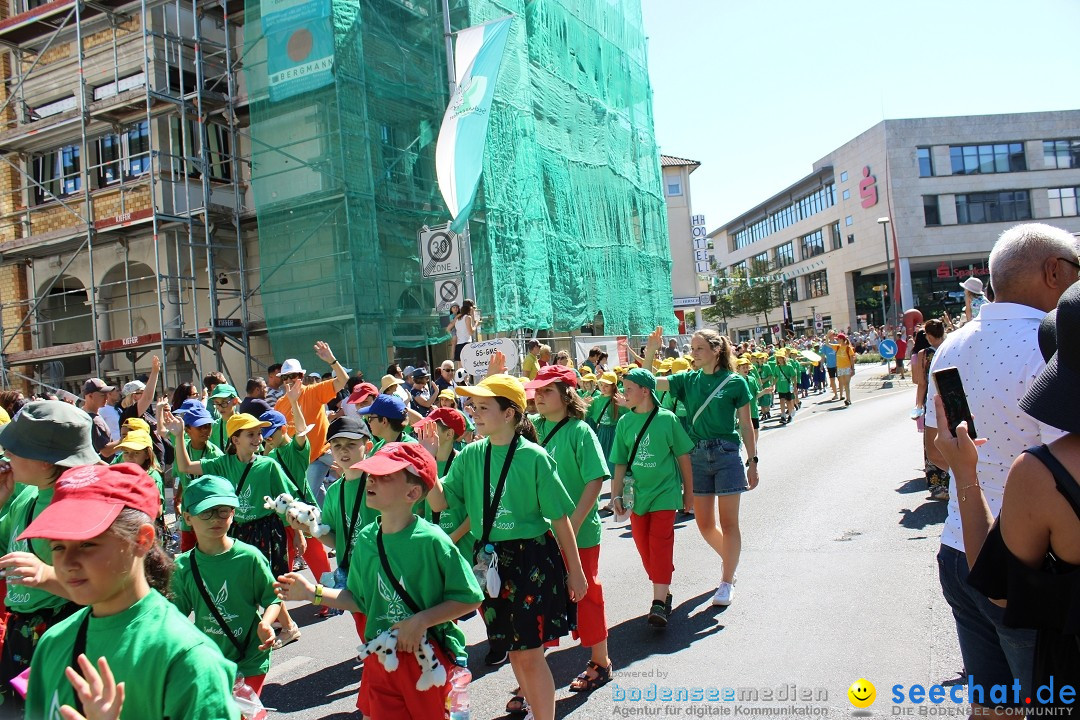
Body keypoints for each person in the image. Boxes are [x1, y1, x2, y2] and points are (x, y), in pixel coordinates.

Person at [924, 222, 1079, 713]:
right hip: (1033, 569)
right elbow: (1065, 473)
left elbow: (934, 448)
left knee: (992, 707)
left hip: (958, 548)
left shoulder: (951, 344)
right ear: (1054, 271)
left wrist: (976, 466)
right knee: (1047, 702)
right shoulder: (1052, 344)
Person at [276, 443, 484, 717]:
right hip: (381, 655)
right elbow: (359, 599)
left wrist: (420, 621)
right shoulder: (366, 539)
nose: (371, 479)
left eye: (385, 476)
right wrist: (312, 592)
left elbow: (469, 598)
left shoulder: (433, 541)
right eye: (371, 473)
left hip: (427, 659)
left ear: (412, 492)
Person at [21, 464, 240, 719]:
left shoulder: (188, 659)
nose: (68, 563)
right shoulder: (53, 642)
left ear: (142, 540)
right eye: (57, 547)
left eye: (88, 544)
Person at [426, 374, 587, 720]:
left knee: (529, 653)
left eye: (484, 407)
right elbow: (439, 503)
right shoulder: (470, 454)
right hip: (490, 561)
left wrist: (576, 572)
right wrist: (428, 462)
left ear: (510, 413)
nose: (475, 413)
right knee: (515, 650)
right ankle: (536, 707)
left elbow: (559, 520)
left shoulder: (534, 457)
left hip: (531, 560)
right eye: (473, 406)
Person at [167, 411, 303, 650]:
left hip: (267, 530)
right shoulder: (222, 464)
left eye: (259, 434)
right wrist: (178, 436)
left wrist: (298, 533)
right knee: (249, 581)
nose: (257, 438)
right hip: (238, 529)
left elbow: (286, 503)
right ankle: (282, 625)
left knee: (271, 580)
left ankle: (287, 626)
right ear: (234, 439)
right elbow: (185, 465)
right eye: (250, 434)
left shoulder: (268, 465)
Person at [645, 327, 758, 608]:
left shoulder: (735, 382)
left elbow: (746, 425)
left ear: (715, 351)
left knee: (729, 523)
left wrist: (753, 461)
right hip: (696, 455)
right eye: (691, 349)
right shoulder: (687, 380)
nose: (692, 354)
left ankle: (727, 579)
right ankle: (731, 559)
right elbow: (647, 383)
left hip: (727, 454)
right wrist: (649, 353)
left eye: (698, 349)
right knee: (705, 524)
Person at [0, 402, 100, 704]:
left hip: (58, 637)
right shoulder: (28, 495)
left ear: (44, 461)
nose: (6, 455)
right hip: (21, 634)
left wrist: (47, 575)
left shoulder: (77, 507)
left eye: (14, 448)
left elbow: (100, 590)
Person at [526, 366, 612, 693]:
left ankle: (600, 662)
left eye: (547, 391)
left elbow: (595, 479)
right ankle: (534, 672)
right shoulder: (531, 427)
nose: (539, 396)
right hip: (539, 535)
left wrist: (573, 524)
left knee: (586, 594)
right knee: (539, 601)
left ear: (566, 394)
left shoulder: (580, 431)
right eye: (537, 391)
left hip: (580, 532)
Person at [172, 474, 280, 696]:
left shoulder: (249, 557)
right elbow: (176, 616)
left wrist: (267, 624)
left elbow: (273, 598)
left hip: (251, 656)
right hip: (210, 659)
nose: (215, 519)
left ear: (233, 513)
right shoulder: (183, 566)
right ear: (187, 517)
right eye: (205, 511)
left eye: (223, 510)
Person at [611, 367, 693, 627]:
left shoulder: (667, 419)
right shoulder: (624, 423)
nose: (624, 394)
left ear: (645, 391)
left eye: (629, 389)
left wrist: (688, 493)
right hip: (637, 495)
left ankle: (658, 603)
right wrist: (615, 496)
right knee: (643, 545)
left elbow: (683, 457)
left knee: (659, 542)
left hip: (665, 493)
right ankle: (663, 584)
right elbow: (620, 464)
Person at [261, 387, 332, 593]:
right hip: (280, 518)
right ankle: (280, 602)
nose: (267, 438)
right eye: (263, 435)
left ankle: (330, 597)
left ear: (283, 429)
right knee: (284, 561)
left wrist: (293, 403)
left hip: (304, 512)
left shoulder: (295, 451)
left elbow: (301, 432)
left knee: (316, 557)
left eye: (270, 433)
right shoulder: (268, 457)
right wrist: (267, 446)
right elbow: (262, 463)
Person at [273, 342, 349, 506]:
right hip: (306, 461)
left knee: (356, 472)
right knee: (311, 497)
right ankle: (328, 524)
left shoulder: (313, 391)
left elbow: (343, 380)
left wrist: (331, 360)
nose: (289, 381)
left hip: (326, 450)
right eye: (285, 377)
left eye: (293, 376)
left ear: (301, 376)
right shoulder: (280, 403)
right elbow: (280, 434)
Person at [162, 398, 223, 553]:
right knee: (188, 555)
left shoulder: (215, 454)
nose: (205, 430)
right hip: (188, 516)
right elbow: (184, 476)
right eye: (200, 427)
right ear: (187, 430)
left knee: (210, 556)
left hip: (209, 517)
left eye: (208, 426)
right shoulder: (181, 447)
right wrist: (178, 497)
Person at [911, 319, 949, 501]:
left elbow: (921, 383)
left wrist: (918, 405)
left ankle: (938, 486)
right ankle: (957, 479)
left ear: (929, 335)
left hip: (932, 401)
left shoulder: (923, 354)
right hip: (952, 397)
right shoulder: (952, 346)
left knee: (932, 442)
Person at [586, 371, 621, 462]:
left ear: (613, 386)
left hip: (615, 431)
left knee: (614, 457)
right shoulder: (596, 399)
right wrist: (585, 406)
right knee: (601, 457)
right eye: (601, 385)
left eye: (607, 386)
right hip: (601, 430)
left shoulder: (618, 399)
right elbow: (588, 414)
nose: (603, 388)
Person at [81, 378, 117, 456]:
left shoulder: (82, 413)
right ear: (90, 396)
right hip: (99, 466)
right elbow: (105, 451)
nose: (107, 398)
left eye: (107, 394)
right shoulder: (93, 420)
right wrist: (125, 440)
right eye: (103, 395)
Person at [771, 350, 798, 426]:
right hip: (780, 387)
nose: (780, 360)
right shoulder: (777, 367)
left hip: (788, 387)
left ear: (784, 358)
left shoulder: (789, 366)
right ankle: (783, 415)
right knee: (781, 400)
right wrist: (772, 385)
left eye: (781, 358)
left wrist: (795, 385)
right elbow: (776, 377)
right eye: (778, 358)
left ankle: (790, 414)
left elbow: (794, 375)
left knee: (789, 401)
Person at [830, 334, 857, 407]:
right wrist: (827, 336)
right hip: (839, 368)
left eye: (838, 339)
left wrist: (853, 369)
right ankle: (847, 398)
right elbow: (827, 344)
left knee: (847, 384)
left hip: (847, 367)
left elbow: (851, 359)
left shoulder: (848, 348)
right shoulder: (837, 347)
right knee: (843, 384)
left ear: (842, 339)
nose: (837, 340)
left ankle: (848, 399)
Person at [453, 300, 481, 366]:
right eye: (473, 308)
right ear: (470, 308)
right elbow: (470, 332)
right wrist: (476, 324)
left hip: (459, 345)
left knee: (460, 369)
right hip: (466, 344)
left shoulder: (458, 318)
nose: (473, 310)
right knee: (468, 367)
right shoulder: (468, 317)